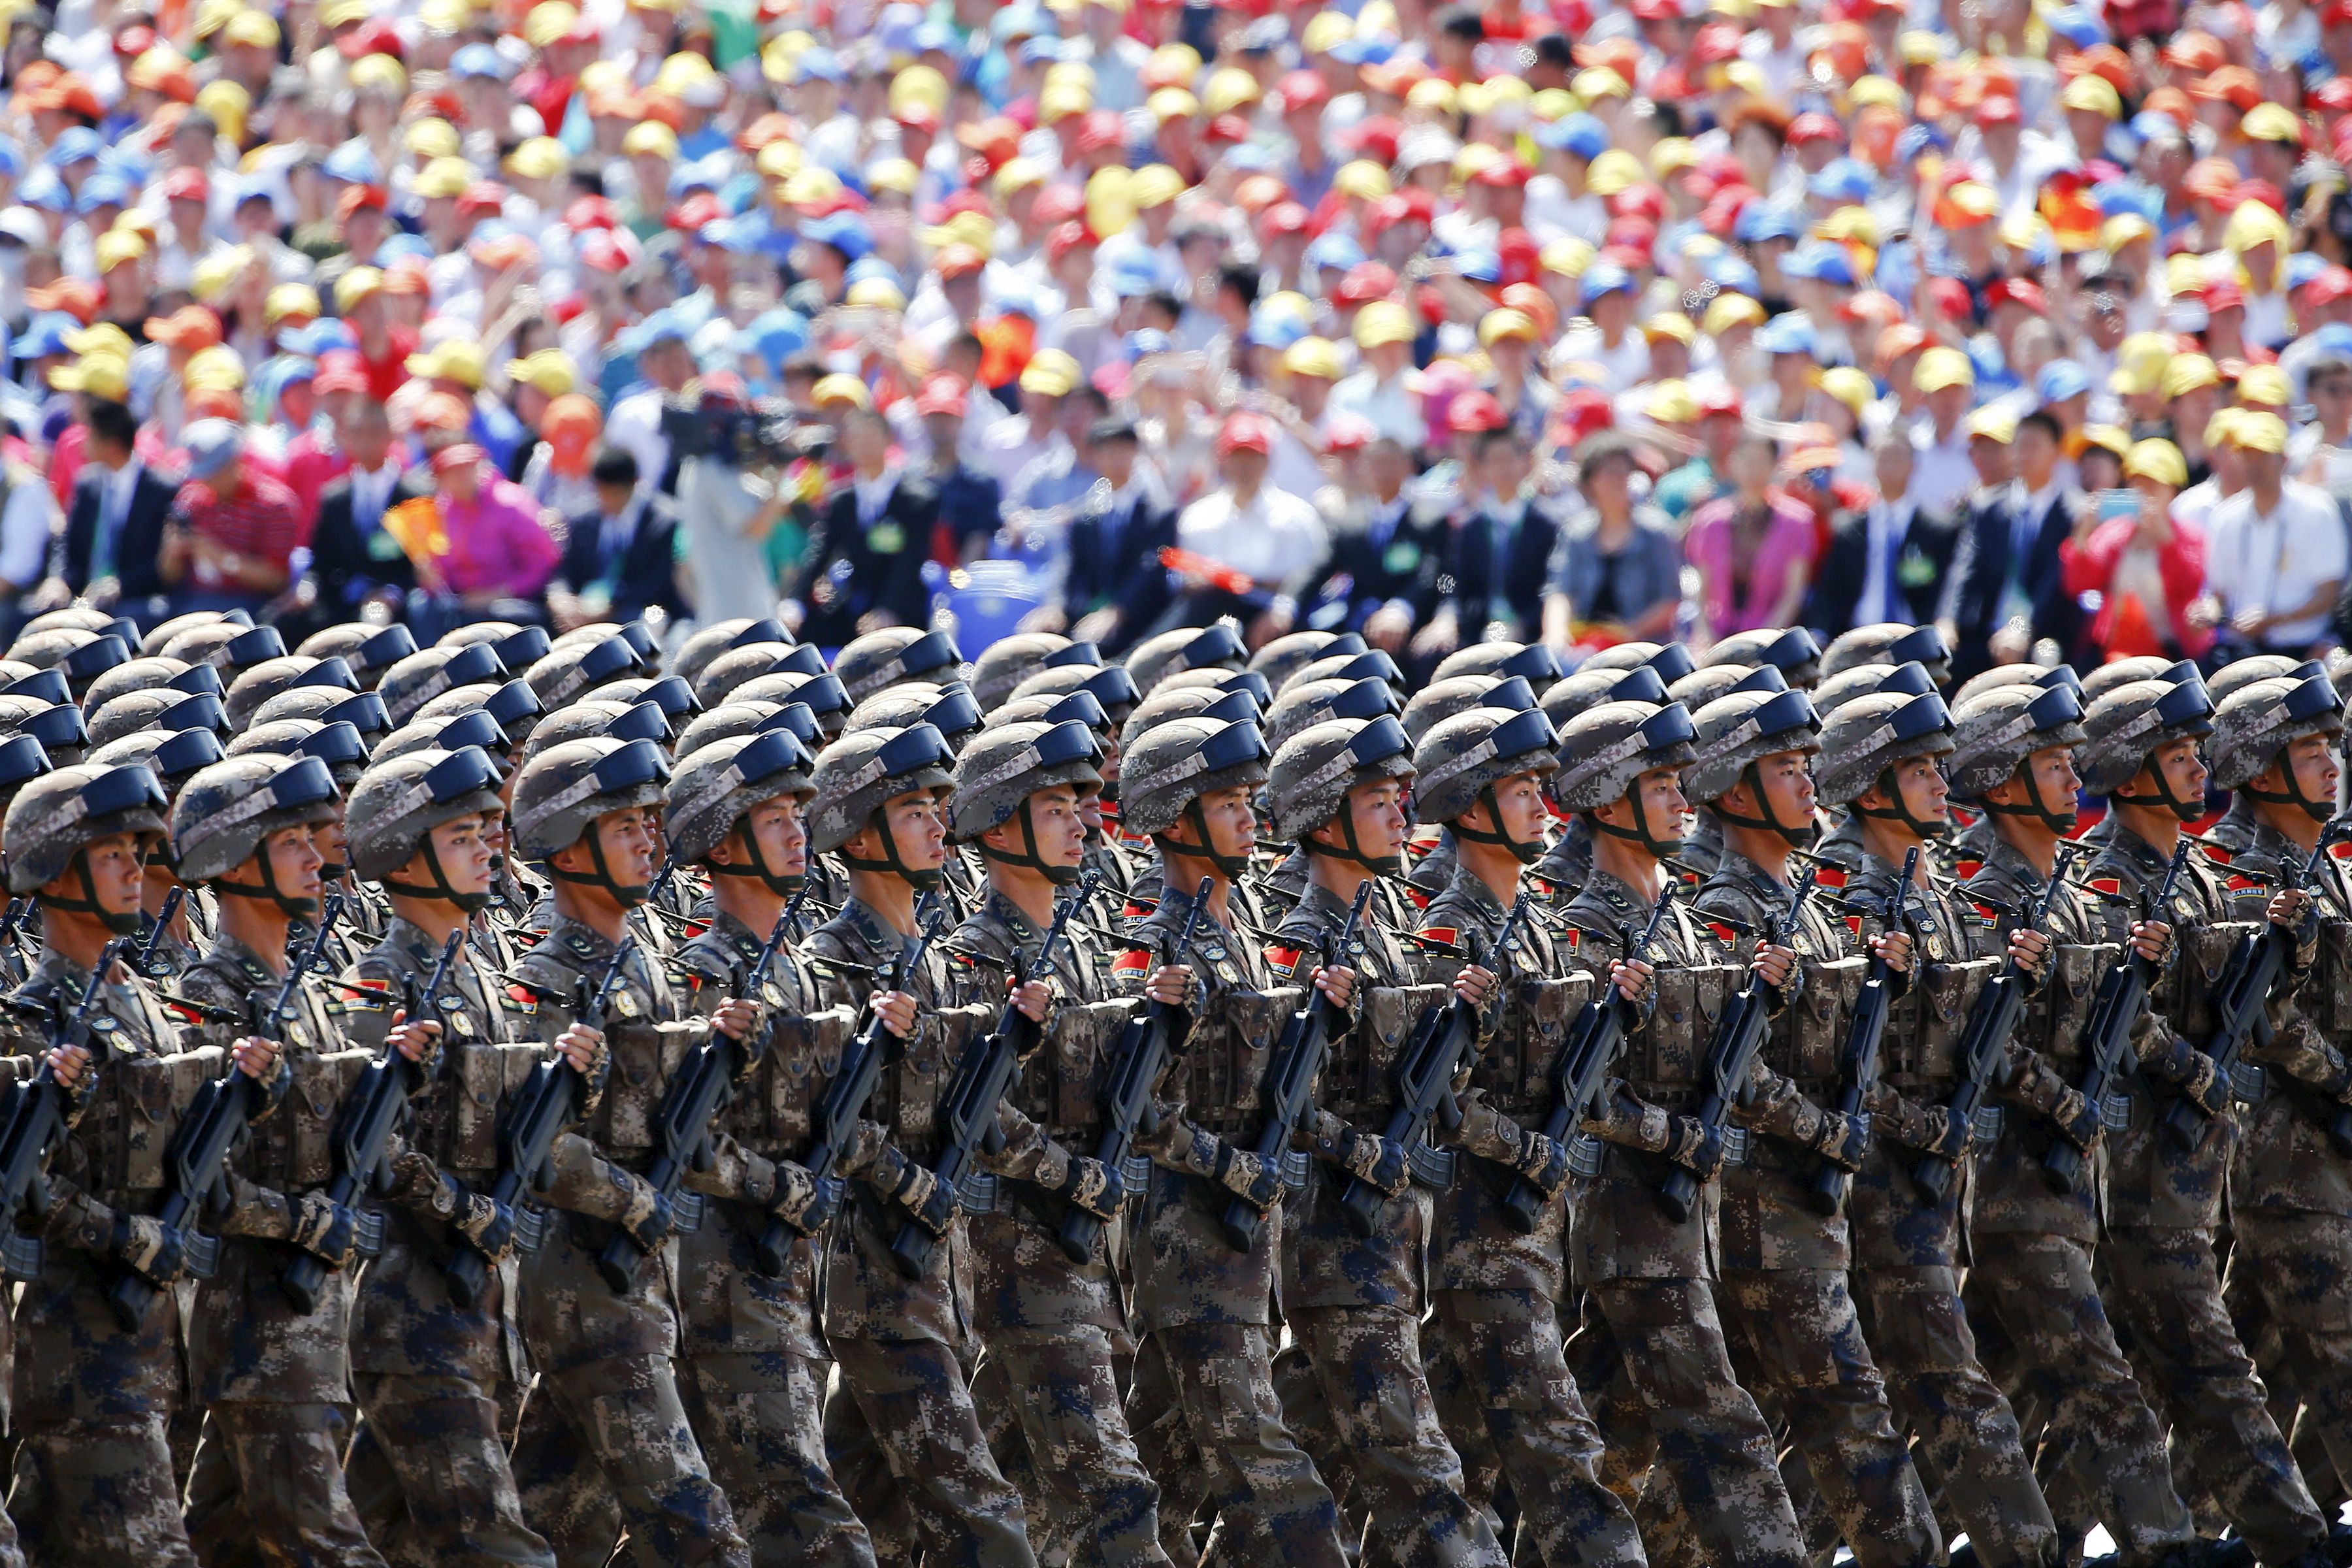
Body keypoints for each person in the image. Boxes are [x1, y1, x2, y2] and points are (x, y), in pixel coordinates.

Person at [1546, 696, 1811, 1568]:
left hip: (1692, 1226)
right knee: (1723, 1430)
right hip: (1633, 1224)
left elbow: (1722, 1067)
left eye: (1676, 782)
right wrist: (1678, 1138)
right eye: (1657, 784)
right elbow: (1580, 1093)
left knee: (1613, 1443)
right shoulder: (1587, 928)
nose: (1680, 799)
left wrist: (1769, 1000)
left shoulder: (1683, 916)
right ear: (1607, 799)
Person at [0, 760, 278, 1567]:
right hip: (82, 1351)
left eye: (137, 852)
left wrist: (249, 1096)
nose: (135, 870)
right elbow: (27, 1186)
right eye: (110, 855)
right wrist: (130, 1238)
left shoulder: (148, 1006)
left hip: (154, 1346)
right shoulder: (29, 1022)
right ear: (56, 873)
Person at [502, 734, 759, 1567]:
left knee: (557, 1523)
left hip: (640, 1289)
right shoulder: (545, 982)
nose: (651, 841)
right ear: (567, 849)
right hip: (588, 1289)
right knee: (696, 1527)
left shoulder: (646, 969)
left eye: (652, 823)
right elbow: (539, 1145)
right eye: (625, 827)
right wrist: (642, 1201)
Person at [1405, 703, 1647, 1568]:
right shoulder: (1450, 929)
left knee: (1463, 1469)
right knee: (1561, 1454)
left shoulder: (1541, 920)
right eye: (1519, 793)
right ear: (1470, 809)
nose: (1545, 808)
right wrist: (1530, 1150)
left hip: (1539, 1237)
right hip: (1480, 1236)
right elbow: (1435, 1097)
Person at [800, 723, 1040, 1568]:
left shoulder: (934, 957)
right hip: (879, 1283)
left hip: (943, 1280)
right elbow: (827, 1120)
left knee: (871, 1515)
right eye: (913, 812)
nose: (939, 826)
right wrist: (914, 1184)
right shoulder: (831, 962)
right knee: (983, 1516)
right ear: (860, 837)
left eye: (940, 808)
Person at [1114, 710, 1348, 1567]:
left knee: (1158, 1485)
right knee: (1275, 1482)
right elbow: (1133, 1109)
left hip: (1249, 1256)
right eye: (1227, 804)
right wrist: (1234, 1166)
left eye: (1251, 800)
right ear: (1176, 821)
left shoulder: (1241, 934)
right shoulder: (1154, 946)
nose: (1251, 818)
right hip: (1193, 1255)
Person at [334, 743, 563, 1568]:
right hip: (416, 1314)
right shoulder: (378, 981)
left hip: (481, 1315)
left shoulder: (485, 974)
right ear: (403, 858)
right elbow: (367, 1143)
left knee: (380, 1536)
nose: (486, 848)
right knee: (493, 1543)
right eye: (460, 837)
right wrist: (468, 1210)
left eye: (484, 833)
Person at [167, 750, 389, 1567]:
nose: (316, 857)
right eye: (290, 842)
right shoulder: (211, 999)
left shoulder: (303, 990)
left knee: (219, 1541)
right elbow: (201, 1178)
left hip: (313, 1327)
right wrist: (312, 1221)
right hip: (260, 1328)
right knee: (325, 1544)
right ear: (233, 864)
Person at [663, 728, 878, 1568]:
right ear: (722, 846)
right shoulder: (704, 977)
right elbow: (682, 1141)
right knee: (809, 1518)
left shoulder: (795, 970)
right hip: (727, 1281)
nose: (799, 832)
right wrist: (784, 1187)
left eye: (799, 814)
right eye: (775, 819)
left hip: (792, 1281)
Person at [2194, 413, 2348, 659]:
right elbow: (2217, 593)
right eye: (2247, 456)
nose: (2255, 465)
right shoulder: (2226, 517)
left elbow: (2329, 594)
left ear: (2284, 460)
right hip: (2239, 649)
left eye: (2264, 456)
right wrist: (2207, 612)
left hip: (2305, 648)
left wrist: (2275, 619)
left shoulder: (2316, 511)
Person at [796, 408, 936, 648]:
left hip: (901, 604)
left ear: (888, 439)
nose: (865, 445)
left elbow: (911, 560)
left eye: (871, 437)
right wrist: (795, 601)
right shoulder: (842, 501)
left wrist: (888, 609)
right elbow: (820, 553)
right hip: (855, 602)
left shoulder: (917, 499)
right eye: (857, 437)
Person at [1542, 431, 1682, 650]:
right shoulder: (1575, 533)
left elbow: (1670, 599)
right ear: (1590, 482)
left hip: (1644, 647)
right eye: (1609, 473)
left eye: (1623, 472)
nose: (1618, 480)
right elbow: (1560, 590)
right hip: (1585, 642)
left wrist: (1628, 633)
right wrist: (1556, 634)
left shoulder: (1657, 532)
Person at [158, 418, 302, 619]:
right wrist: (172, 553)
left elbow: (278, 580)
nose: (206, 481)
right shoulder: (190, 500)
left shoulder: (273, 504)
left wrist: (221, 558)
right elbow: (168, 577)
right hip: (191, 599)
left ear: (235, 463)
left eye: (214, 473)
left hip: (250, 604)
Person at [1684, 436, 1817, 645]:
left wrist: (1766, 639)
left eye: (1761, 460)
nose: (1752, 469)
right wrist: (1705, 634)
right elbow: (1700, 588)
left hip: (1774, 637)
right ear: (1732, 463)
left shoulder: (1797, 521)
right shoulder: (1709, 520)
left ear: (1775, 466)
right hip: (1716, 635)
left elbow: (1793, 594)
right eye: (1746, 459)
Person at [57, 397, 176, 627]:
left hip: (133, 596)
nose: (83, 445)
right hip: (84, 593)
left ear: (111, 445)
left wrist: (121, 584)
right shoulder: (87, 484)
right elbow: (67, 544)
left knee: (128, 617)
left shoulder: (161, 490)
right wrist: (58, 580)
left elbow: (161, 563)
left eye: (90, 437)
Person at [551, 447, 685, 631]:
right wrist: (561, 599)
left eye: (616, 493)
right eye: (602, 491)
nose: (609, 500)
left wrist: (611, 607)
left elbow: (656, 584)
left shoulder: (663, 523)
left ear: (635, 484)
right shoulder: (582, 519)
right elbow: (562, 572)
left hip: (640, 610)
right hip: (583, 607)